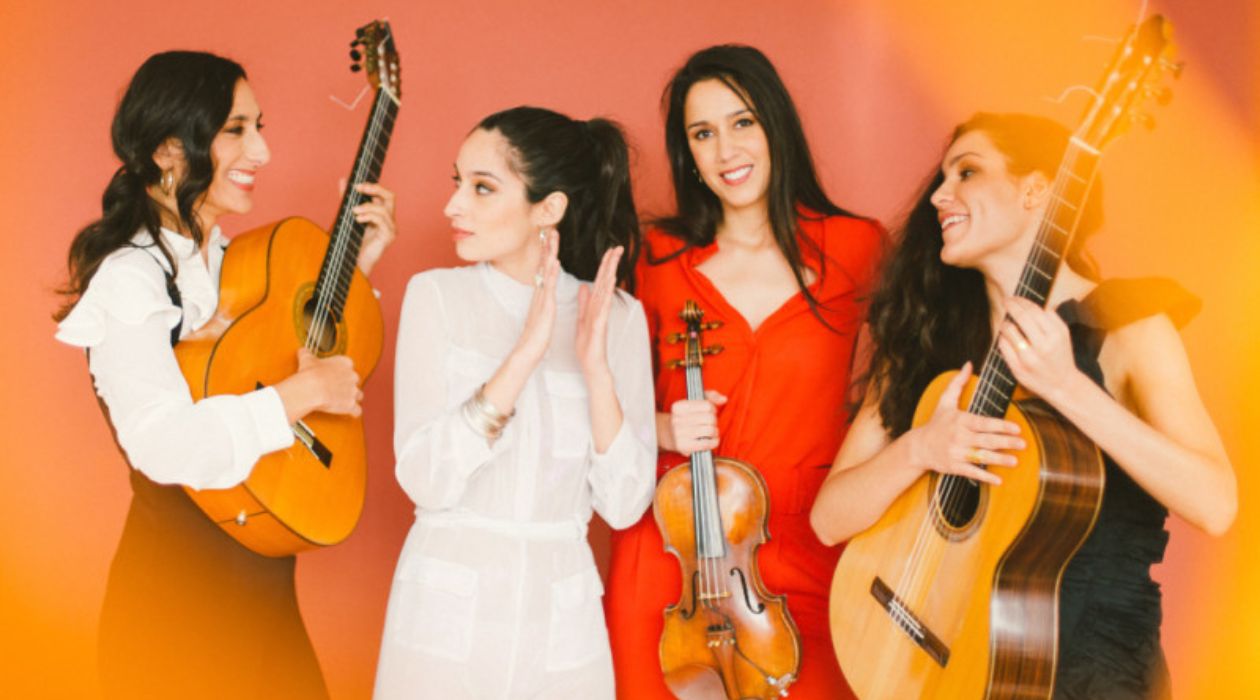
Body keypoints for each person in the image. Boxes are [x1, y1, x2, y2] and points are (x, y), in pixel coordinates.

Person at [810, 112, 1237, 699]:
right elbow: (827, 520)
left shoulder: (1129, 329)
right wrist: (921, 448)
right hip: (947, 670)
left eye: (967, 172)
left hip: (1096, 674)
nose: (939, 195)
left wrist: (1067, 387)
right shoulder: (928, 340)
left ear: (1036, 189)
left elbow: (1216, 504)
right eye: (942, 177)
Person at [53, 51, 397, 699]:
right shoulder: (133, 278)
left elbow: (276, 360)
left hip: (263, 586)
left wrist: (361, 269)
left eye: (258, 126)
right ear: (167, 150)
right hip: (178, 611)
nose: (262, 151)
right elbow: (163, 445)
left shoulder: (237, 262)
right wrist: (299, 395)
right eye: (236, 129)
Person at [604, 44, 885, 699]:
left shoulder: (860, 248)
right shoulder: (657, 258)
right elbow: (591, 405)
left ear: (776, 127)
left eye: (743, 122)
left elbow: (900, 397)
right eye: (703, 134)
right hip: (675, 557)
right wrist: (665, 427)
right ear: (689, 156)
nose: (726, 149)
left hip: (809, 544)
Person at [374, 106, 655, 699]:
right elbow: (426, 479)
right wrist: (525, 353)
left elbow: (626, 504)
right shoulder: (437, 297)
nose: (453, 205)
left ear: (547, 209)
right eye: (458, 183)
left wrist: (595, 368)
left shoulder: (617, 318)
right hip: (443, 622)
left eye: (482, 188)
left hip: (561, 622)